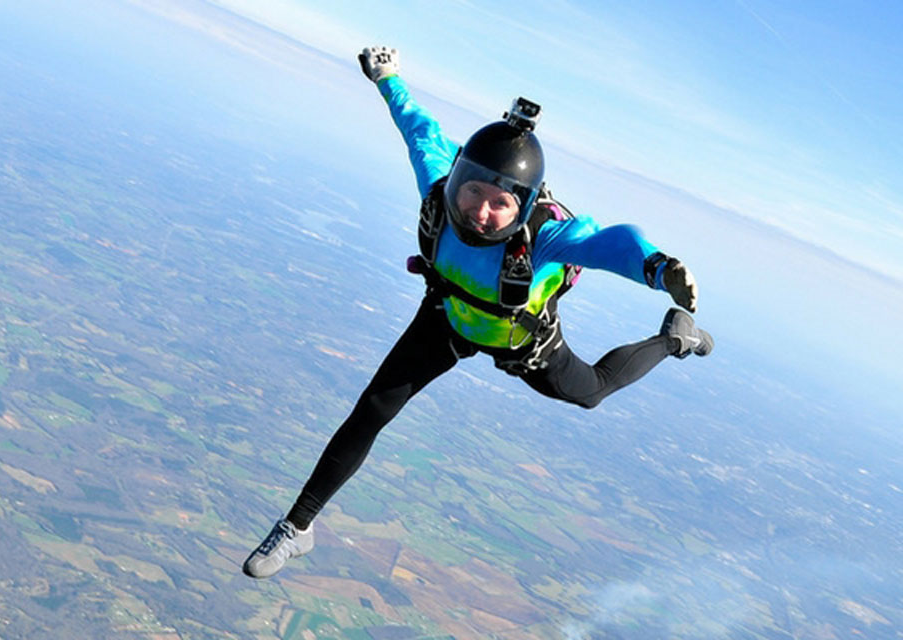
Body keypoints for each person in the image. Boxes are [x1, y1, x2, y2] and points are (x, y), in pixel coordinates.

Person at [242, 46, 713, 579]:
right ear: (459, 178)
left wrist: (656, 267)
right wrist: (388, 77)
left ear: (525, 206)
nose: (481, 213)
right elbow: (418, 129)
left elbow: (607, 243)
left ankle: (675, 339)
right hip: (447, 318)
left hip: (523, 343)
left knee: (593, 392)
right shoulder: (439, 191)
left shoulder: (545, 240)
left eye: (500, 204)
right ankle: (298, 526)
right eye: (473, 193)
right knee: (371, 409)